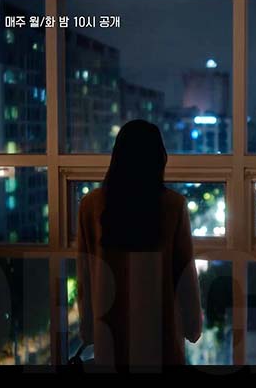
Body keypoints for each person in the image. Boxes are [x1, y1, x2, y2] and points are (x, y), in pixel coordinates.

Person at [76, 119, 202, 366]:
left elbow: (85, 275)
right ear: (158, 158)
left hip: (110, 336)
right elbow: (185, 274)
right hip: (161, 337)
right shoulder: (173, 205)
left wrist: (88, 328)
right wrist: (192, 325)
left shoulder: (91, 206)